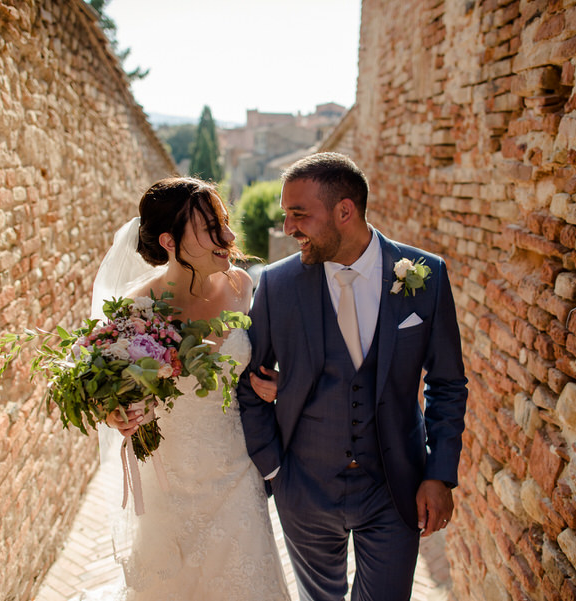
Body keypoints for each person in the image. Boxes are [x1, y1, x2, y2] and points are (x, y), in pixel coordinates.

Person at [238, 153, 468, 601]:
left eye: (299, 214)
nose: (288, 228)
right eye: (286, 215)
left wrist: (439, 474)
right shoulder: (277, 286)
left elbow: (447, 384)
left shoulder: (426, 275)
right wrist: (274, 468)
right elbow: (248, 383)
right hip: (303, 488)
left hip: (395, 486)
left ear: (345, 211)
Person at [86, 177, 290, 601]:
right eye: (211, 226)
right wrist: (120, 415)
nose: (230, 237)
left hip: (237, 470)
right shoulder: (136, 308)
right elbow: (110, 394)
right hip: (169, 482)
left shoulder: (242, 287)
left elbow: (270, 365)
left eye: (225, 222)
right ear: (170, 241)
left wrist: (277, 386)